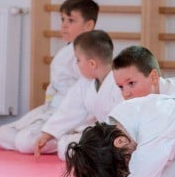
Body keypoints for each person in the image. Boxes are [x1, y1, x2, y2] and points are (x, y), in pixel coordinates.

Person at [0, 0, 98, 154]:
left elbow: (88, 92)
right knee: (2, 134)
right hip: (50, 110)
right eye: (62, 19)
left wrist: (77, 122)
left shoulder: (85, 55)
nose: (64, 25)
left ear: (88, 25)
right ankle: (52, 137)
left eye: (71, 21)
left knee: (24, 142)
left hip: (68, 115)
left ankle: (72, 138)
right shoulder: (68, 50)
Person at [37, 30, 123, 161]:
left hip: (119, 138)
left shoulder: (121, 82)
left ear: (92, 63)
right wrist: (48, 133)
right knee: (65, 145)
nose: (76, 64)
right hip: (101, 137)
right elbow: (69, 110)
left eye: (78, 60)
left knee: (89, 148)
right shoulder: (85, 83)